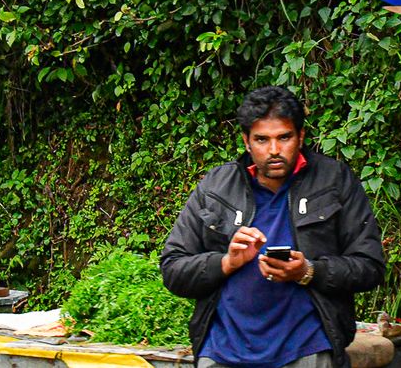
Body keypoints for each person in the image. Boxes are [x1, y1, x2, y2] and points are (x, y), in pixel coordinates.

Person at [160, 86, 386, 368]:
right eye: (262, 140)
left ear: (300, 136)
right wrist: (227, 262)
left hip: (307, 351)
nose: (274, 150)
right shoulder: (216, 186)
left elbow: (370, 267)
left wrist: (308, 272)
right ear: (246, 141)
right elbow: (172, 269)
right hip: (222, 353)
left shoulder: (334, 180)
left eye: (284, 137)